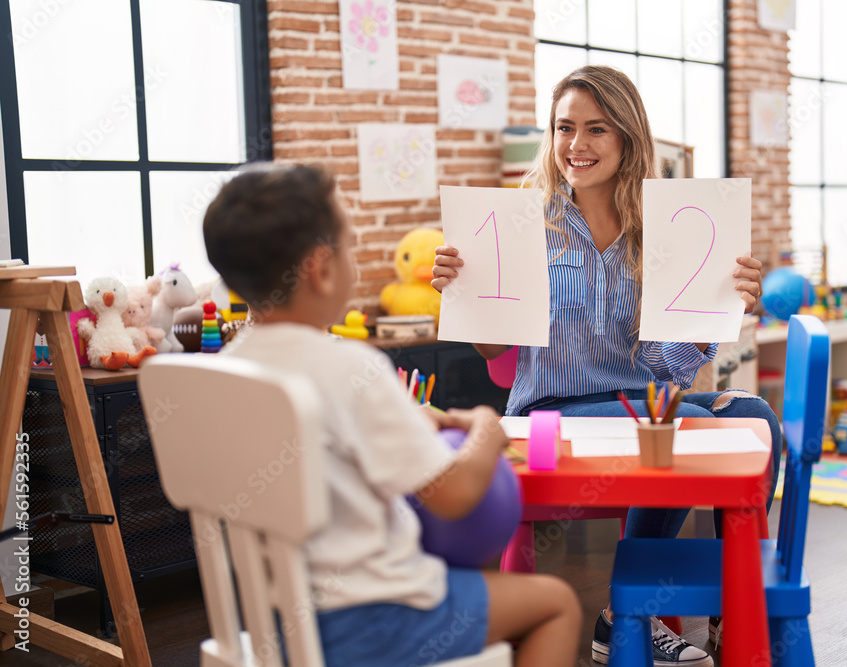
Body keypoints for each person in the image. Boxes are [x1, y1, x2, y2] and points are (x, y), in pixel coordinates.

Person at [432, 66, 782, 666]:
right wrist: (461, 298)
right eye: (565, 128)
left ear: (627, 137)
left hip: (640, 410)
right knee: (680, 429)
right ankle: (627, 615)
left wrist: (715, 314)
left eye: (597, 129)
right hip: (548, 418)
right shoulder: (524, 223)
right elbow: (496, 354)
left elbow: (665, 371)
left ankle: (729, 613)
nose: (577, 145)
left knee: (753, 416)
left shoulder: (663, 230)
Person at [202, 164, 582, 667]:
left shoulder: (225, 372)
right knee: (556, 605)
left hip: (274, 622)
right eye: (350, 247)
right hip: (373, 618)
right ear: (320, 268)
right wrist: (489, 431)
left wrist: (408, 423)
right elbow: (455, 497)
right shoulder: (350, 366)